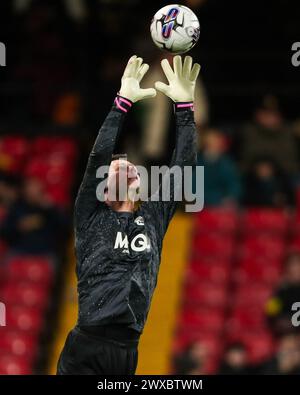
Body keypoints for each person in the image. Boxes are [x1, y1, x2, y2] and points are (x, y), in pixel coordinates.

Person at [56, 55, 200, 375]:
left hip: (126, 352)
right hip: (87, 344)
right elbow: (98, 156)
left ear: (138, 184)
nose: (124, 167)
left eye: (130, 168)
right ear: (103, 190)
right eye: (115, 169)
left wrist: (185, 109)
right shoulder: (90, 216)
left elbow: (183, 170)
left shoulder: (153, 217)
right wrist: (120, 105)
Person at [0, 177, 67, 255]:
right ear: (25, 191)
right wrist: (19, 226)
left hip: (45, 254)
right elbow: (4, 231)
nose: (34, 191)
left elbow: (65, 227)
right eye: (31, 187)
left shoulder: (49, 209)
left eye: (37, 188)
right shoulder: (17, 208)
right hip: (19, 252)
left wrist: (50, 209)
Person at [194, 128, 241, 206]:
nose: (216, 143)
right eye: (212, 141)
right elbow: (194, 188)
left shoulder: (226, 162)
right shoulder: (197, 162)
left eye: (217, 140)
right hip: (201, 205)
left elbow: (234, 185)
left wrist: (230, 197)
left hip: (223, 205)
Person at [265, 252, 300, 336]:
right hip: (287, 334)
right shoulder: (281, 290)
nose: (296, 269)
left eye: (298, 265)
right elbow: (271, 313)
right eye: (292, 266)